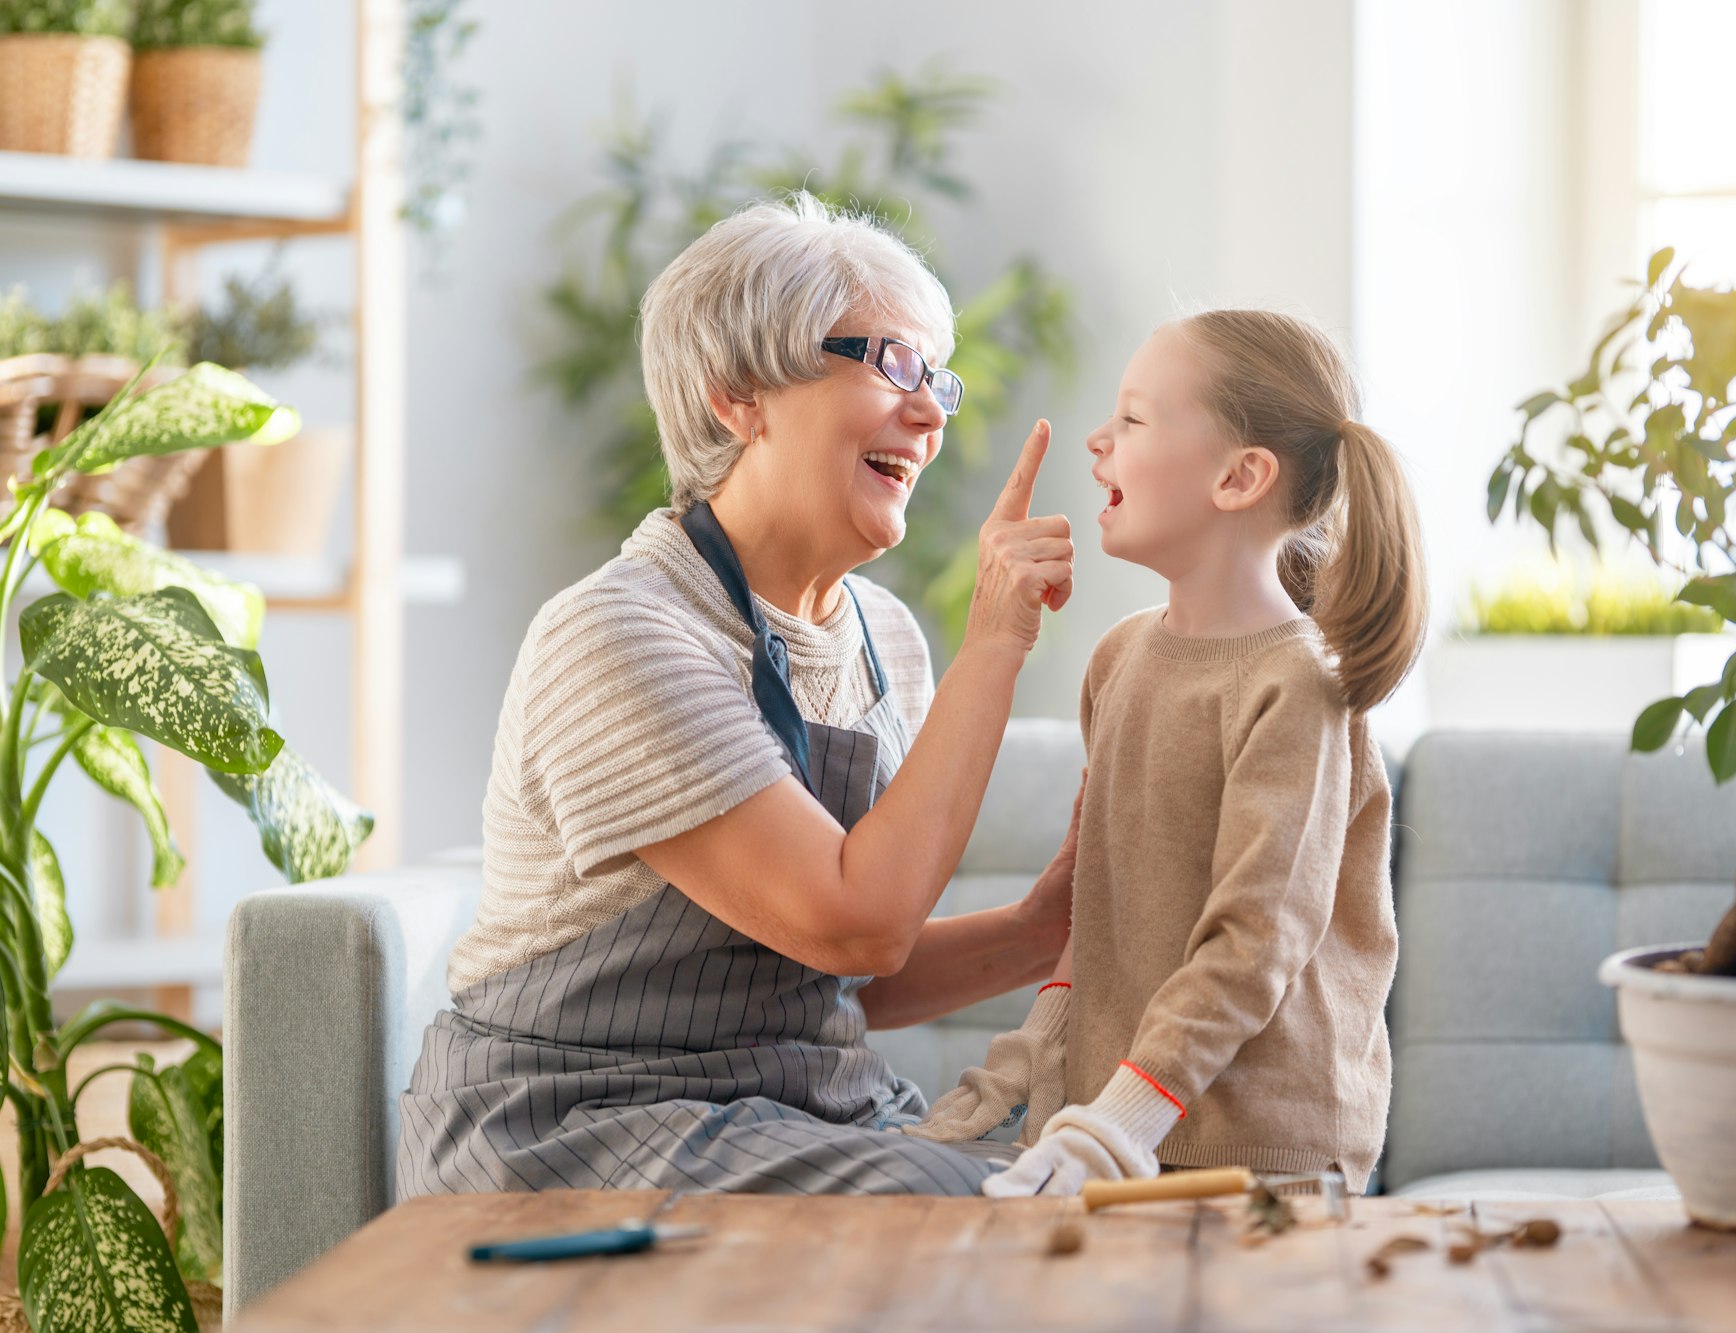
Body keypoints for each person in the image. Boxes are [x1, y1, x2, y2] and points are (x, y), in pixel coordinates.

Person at [396, 194, 1080, 1198]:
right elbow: (856, 922)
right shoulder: (620, 633)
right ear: (738, 394)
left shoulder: (884, 639)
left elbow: (841, 974)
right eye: (890, 362)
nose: (929, 412)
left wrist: (1042, 926)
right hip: (578, 1119)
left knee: (1076, 1190)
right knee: (982, 1215)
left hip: (795, 1111)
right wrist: (997, 639)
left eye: (935, 377)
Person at [907, 309, 1427, 1196]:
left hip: (1267, 1158)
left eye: (1135, 420)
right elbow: (1097, 922)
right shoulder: (1119, 659)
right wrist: (1021, 1072)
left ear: (1239, 476)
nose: (1098, 440)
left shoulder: (1296, 688)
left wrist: (1119, 1118)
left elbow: (1257, 942)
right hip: (1121, 1135)